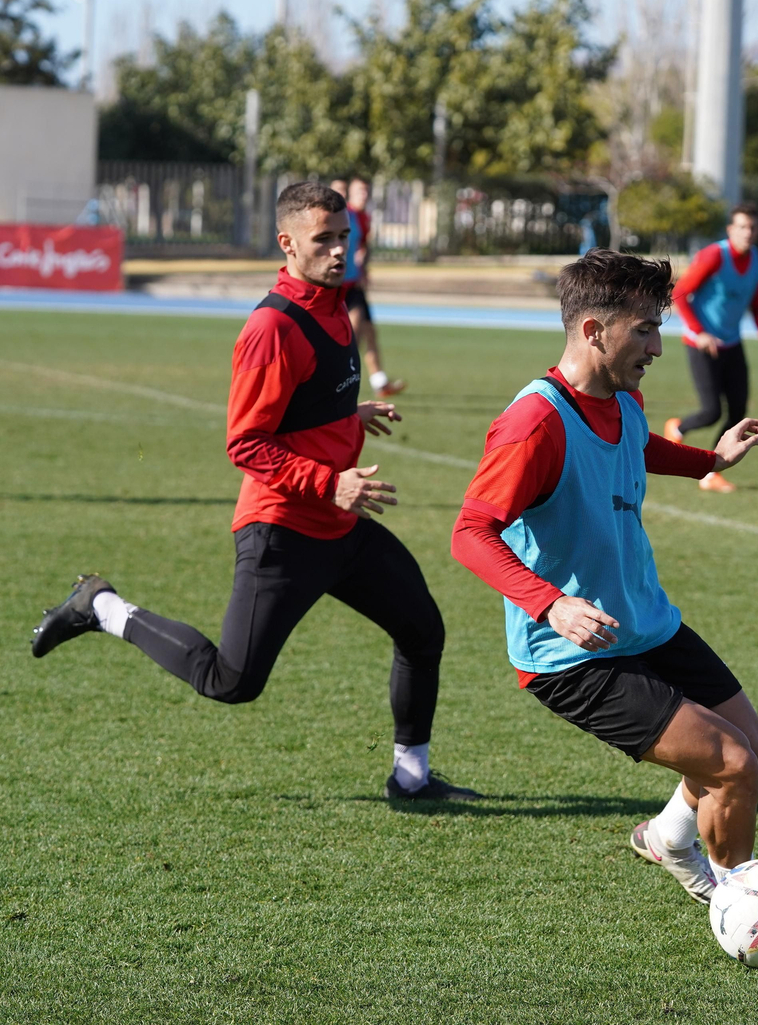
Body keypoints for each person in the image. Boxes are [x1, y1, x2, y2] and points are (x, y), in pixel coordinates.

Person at [30, 181, 476, 802]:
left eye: (345, 237)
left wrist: (349, 417)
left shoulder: (332, 304)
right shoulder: (272, 327)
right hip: (283, 531)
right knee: (230, 680)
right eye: (324, 239)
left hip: (340, 524)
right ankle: (100, 606)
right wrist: (329, 480)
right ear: (287, 243)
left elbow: (303, 408)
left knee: (422, 630)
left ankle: (411, 777)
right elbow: (246, 443)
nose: (341, 251)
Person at [451, 249, 758, 904]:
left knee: (754, 750)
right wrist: (553, 607)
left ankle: (666, 838)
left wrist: (710, 457)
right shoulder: (534, 423)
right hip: (572, 653)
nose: (659, 344)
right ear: (596, 332)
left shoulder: (621, 398)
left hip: (643, 620)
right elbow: (469, 533)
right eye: (646, 328)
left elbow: (638, 443)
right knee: (729, 762)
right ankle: (744, 909)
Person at [662, 203, 758, 493]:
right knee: (712, 410)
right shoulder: (715, 255)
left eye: (752, 227)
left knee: (738, 412)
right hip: (700, 343)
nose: (747, 233)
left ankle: (710, 473)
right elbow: (679, 293)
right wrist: (700, 333)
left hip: (732, 344)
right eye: (742, 227)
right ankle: (677, 427)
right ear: (730, 230)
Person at [340, 176, 406, 398]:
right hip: (342, 285)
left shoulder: (363, 218)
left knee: (370, 333)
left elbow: (364, 246)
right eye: (360, 191)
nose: (364, 195)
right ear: (349, 192)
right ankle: (342, 380)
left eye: (367, 191)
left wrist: (364, 269)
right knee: (355, 333)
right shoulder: (341, 214)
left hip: (355, 282)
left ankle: (380, 382)